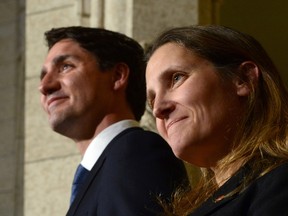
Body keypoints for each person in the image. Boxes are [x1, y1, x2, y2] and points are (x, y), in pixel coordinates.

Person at [39, 26, 188, 216]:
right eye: (43, 75)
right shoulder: (100, 171)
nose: (44, 86)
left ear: (117, 76)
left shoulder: (137, 152)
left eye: (65, 67)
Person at [145, 25, 288, 216]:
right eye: (152, 99)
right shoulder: (196, 205)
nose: (158, 109)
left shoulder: (279, 182)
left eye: (177, 78)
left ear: (243, 79)